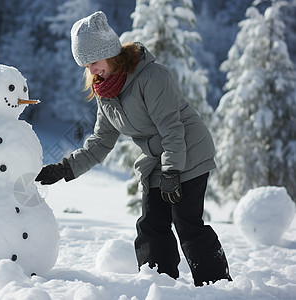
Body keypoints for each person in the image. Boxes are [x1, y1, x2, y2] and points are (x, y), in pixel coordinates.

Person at [35, 11, 232, 287]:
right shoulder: (107, 93)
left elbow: (171, 128)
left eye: (94, 62)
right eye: (86, 65)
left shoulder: (151, 77)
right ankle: (160, 285)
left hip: (188, 149)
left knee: (186, 222)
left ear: (110, 53)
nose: (91, 71)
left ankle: (217, 285)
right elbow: (101, 142)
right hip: (157, 158)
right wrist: (63, 169)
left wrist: (172, 170)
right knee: (151, 223)